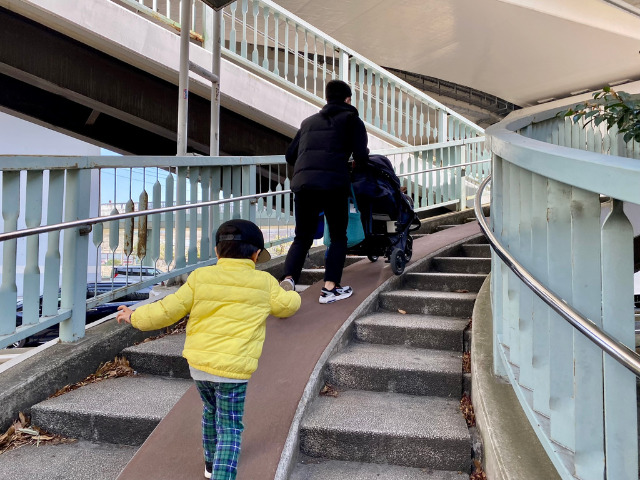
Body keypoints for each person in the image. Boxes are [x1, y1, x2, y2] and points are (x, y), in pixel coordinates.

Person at [116, 219, 301, 480]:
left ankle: (210, 464)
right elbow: (287, 307)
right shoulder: (264, 283)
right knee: (230, 427)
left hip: (199, 366)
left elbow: (167, 309)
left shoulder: (200, 277)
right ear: (256, 254)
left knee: (210, 411)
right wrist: (289, 289)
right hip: (233, 370)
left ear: (216, 251)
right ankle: (223, 475)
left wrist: (135, 316)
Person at [280, 79, 369, 304]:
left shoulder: (308, 122)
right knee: (338, 237)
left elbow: (290, 156)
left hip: (303, 184)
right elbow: (361, 157)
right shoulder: (352, 120)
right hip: (333, 184)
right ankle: (330, 288)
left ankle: (288, 280)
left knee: (302, 237)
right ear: (348, 99)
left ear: (327, 99)